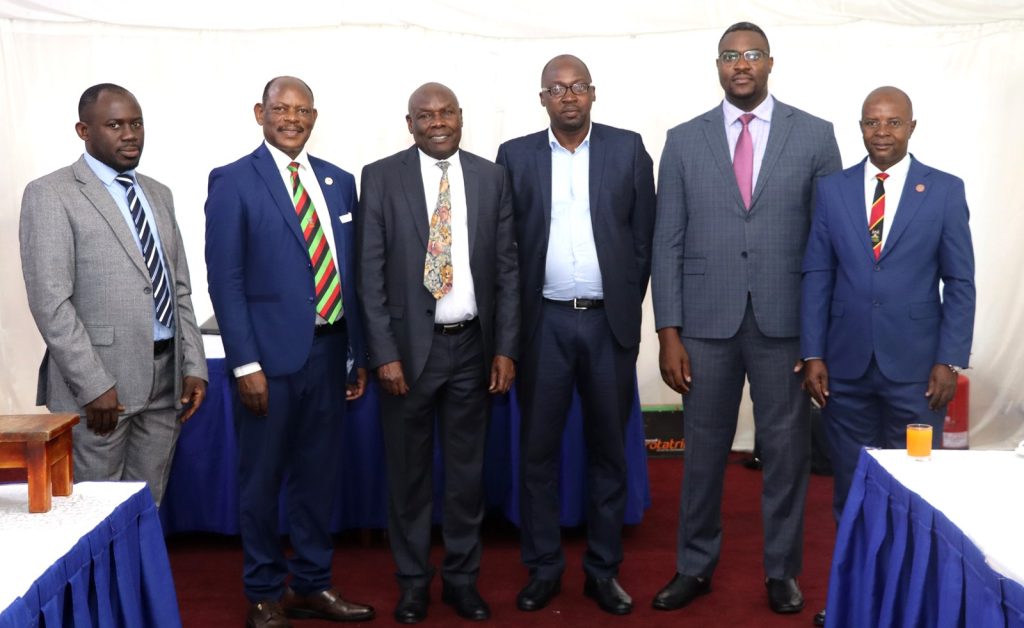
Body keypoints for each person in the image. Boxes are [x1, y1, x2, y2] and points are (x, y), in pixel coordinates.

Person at [650, 22, 842, 616]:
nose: (741, 65)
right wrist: (668, 332)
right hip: (705, 326)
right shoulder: (684, 140)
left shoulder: (814, 136)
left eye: (751, 55)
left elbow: (827, 242)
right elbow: (667, 242)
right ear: (717, 66)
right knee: (702, 452)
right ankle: (694, 566)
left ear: (770, 63)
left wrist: (817, 342)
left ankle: (782, 571)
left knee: (786, 455)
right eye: (730, 56)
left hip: (785, 326)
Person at [800, 86, 975, 626]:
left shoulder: (944, 190)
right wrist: (812, 353)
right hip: (844, 370)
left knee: (915, 494)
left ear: (911, 127)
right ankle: (853, 601)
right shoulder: (833, 191)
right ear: (860, 127)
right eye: (873, 122)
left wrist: (949, 360)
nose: (882, 132)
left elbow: (960, 282)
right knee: (851, 494)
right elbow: (817, 274)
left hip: (918, 374)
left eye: (893, 123)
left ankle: (910, 605)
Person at [205, 76, 373, 628]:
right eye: (281, 108)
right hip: (268, 364)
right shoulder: (232, 181)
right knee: (262, 480)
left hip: (330, 356)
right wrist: (245, 363)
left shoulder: (339, 182)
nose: (292, 118)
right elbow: (225, 281)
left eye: (302, 110)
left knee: (318, 478)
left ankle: (312, 586)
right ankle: (261, 593)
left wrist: (356, 355)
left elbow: (351, 274)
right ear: (260, 113)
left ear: (314, 116)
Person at [495, 54, 656, 616]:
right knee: (537, 454)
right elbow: (505, 248)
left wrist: (622, 309)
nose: (568, 96)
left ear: (593, 94)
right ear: (542, 98)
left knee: (608, 452)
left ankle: (602, 572)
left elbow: (644, 240)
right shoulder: (514, 157)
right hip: (544, 325)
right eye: (557, 89)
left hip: (608, 326)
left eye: (578, 87)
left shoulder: (628, 149)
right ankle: (543, 570)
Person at [356, 82, 519, 624]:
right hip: (406, 355)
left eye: (446, 112)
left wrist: (506, 348)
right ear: (410, 125)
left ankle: (462, 581)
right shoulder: (380, 178)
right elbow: (370, 277)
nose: (438, 121)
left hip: (473, 348)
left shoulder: (491, 177)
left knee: (468, 477)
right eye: (425, 115)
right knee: (408, 479)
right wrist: (383, 354)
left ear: (461, 117)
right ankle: (411, 583)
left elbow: (507, 271)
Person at [19, 83, 207, 507]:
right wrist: (93, 384)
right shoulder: (51, 194)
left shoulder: (158, 193)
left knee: (146, 507)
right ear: (83, 130)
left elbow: (178, 287)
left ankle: (139, 578)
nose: (130, 134)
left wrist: (193, 363)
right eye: (115, 124)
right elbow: (50, 303)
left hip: (166, 383)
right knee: (92, 513)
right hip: (101, 392)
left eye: (136, 123)